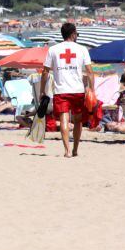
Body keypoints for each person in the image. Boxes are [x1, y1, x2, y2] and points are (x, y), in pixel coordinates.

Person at [40, 22, 94, 158]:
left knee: (64, 118)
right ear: (73, 34)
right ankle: (75, 149)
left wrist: (42, 90)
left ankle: (67, 150)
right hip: (78, 90)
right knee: (78, 120)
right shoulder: (82, 49)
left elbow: (45, 72)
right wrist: (92, 89)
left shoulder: (53, 50)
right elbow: (90, 71)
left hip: (61, 90)